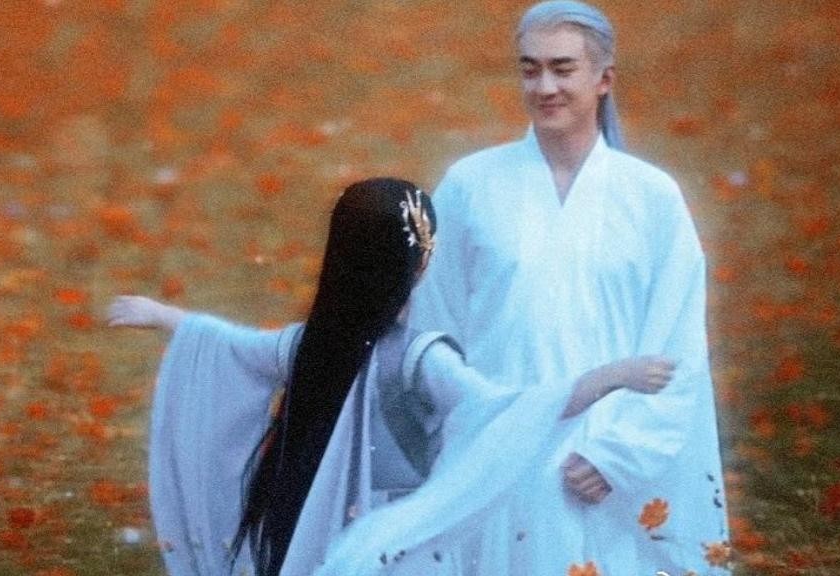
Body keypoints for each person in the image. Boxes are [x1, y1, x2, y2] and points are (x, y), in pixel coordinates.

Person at [315, 2, 730, 575]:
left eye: (563, 68)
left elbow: (676, 342)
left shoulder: (651, 198)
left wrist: (618, 456)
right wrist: (469, 433)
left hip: (601, 460)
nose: (545, 87)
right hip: (495, 448)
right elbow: (434, 329)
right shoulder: (472, 186)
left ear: (604, 79)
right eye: (530, 69)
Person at [107, 177, 676, 576]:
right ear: (419, 265)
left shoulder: (315, 347)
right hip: (403, 547)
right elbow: (510, 409)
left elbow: (235, 348)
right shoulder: (418, 358)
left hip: (321, 541)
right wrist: (612, 375)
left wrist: (162, 316)